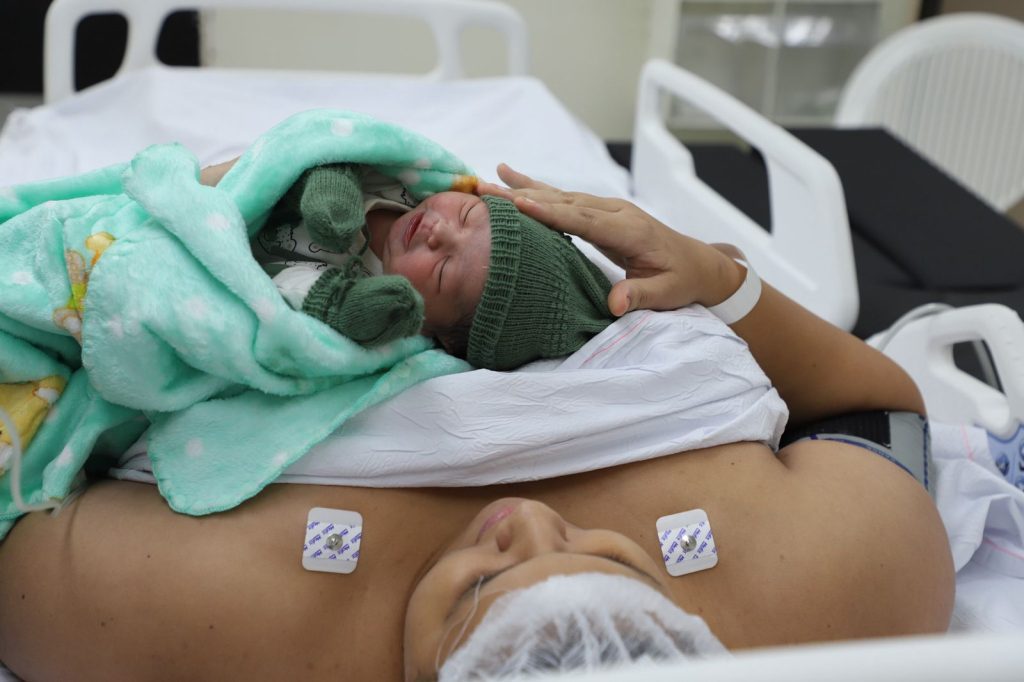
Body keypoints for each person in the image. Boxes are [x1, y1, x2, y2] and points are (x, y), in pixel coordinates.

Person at [0, 167, 954, 681]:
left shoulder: (192, 621)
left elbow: (25, 451)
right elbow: (876, 407)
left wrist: (212, 220)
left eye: (480, 588)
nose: (526, 520)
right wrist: (717, 279)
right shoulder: (851, 590)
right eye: (618, 564)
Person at [202, 159, 614, 370]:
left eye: (443, 270)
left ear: (430, 329)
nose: (440, 232)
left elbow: (288, 300)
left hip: (218, 249)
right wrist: (333, 178)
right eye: (466, 215)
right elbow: (334, 143)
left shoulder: (376, 308)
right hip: (235, 194)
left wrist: (342, 308)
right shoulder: (404, 182)